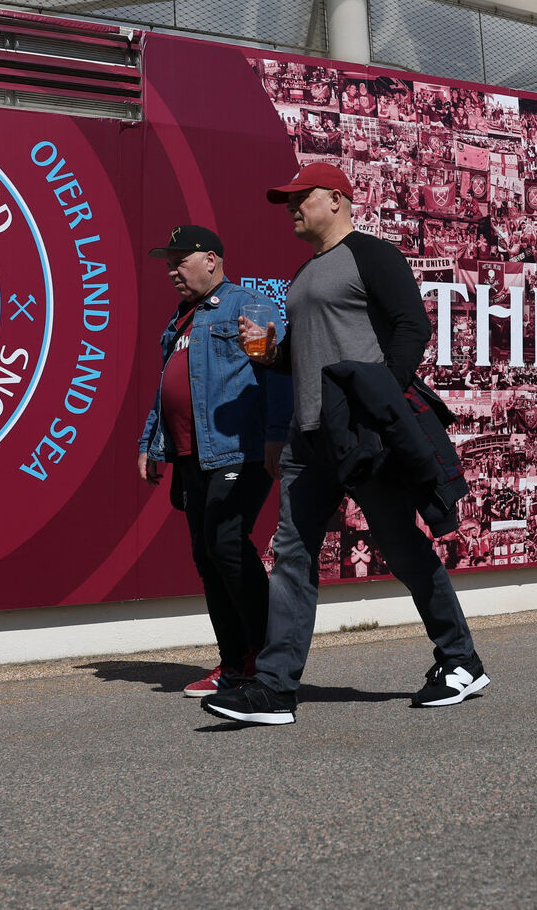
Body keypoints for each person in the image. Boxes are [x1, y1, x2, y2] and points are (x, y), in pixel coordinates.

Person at [206, 161, 487, 726]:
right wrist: (266, 352)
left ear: (336, 199)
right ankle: (275, 689)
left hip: (362, 435)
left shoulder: (372, 254)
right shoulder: (303, 276)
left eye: (300, 197)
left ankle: (460, 661)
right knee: (291, 555)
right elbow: (298, 358)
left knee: (401, 547)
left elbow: (413, 326)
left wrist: (380, 400)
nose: (291, 207)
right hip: (309, 439)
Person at [136, 225, 290, 698]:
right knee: (208, 555)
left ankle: (266, 657)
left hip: (236, 449)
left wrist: (275, 436)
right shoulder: (182, 318)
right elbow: (169, 386)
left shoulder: (247, 305)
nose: (172, 271)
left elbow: (278, 371)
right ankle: (233, 662)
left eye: (181, 260)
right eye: (168, 263)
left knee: (226, 544)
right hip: (189, 453)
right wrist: (150, 443)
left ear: (212, 259)